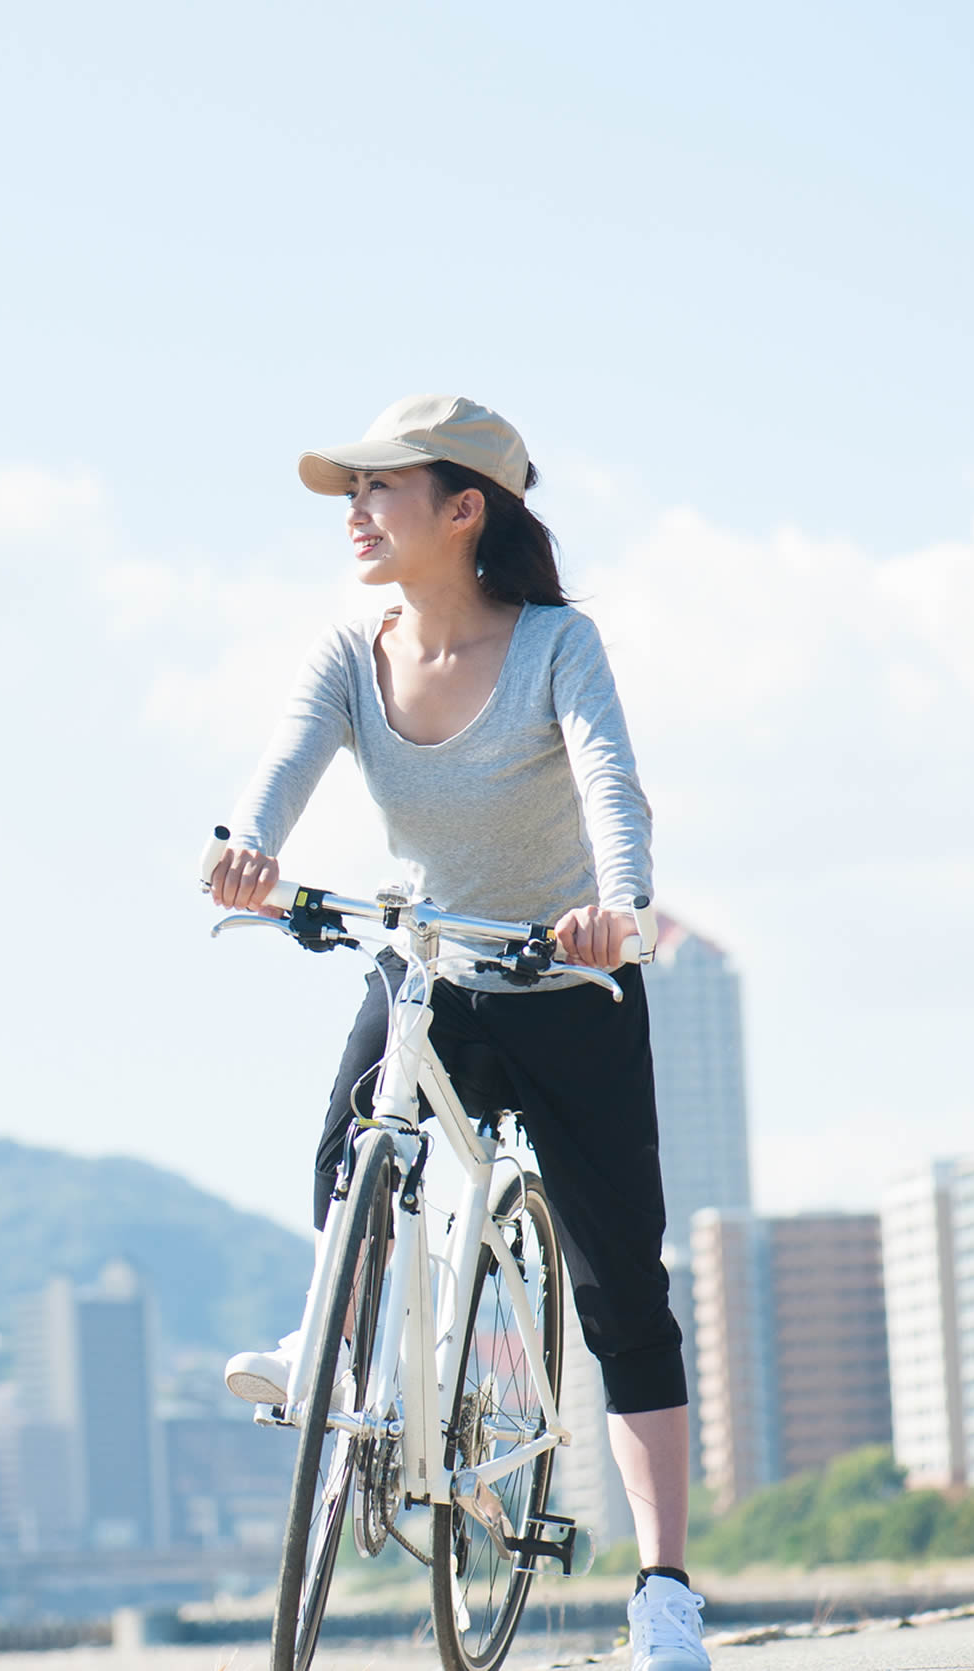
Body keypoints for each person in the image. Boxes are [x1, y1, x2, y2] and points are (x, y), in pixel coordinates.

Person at [206, 395, 707, 1671]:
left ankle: (663, 1592)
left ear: (463, 508)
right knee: (350, 1144)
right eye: (350, 494)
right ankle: (337, 1340)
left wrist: (622, 909)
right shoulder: (347, 654)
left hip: (561, 976)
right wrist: (247, 853)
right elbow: (276, 775)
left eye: (381, 490)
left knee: (621, 1289)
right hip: (429, 961)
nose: (357, 514)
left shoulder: (554, 646)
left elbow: (610, 781)